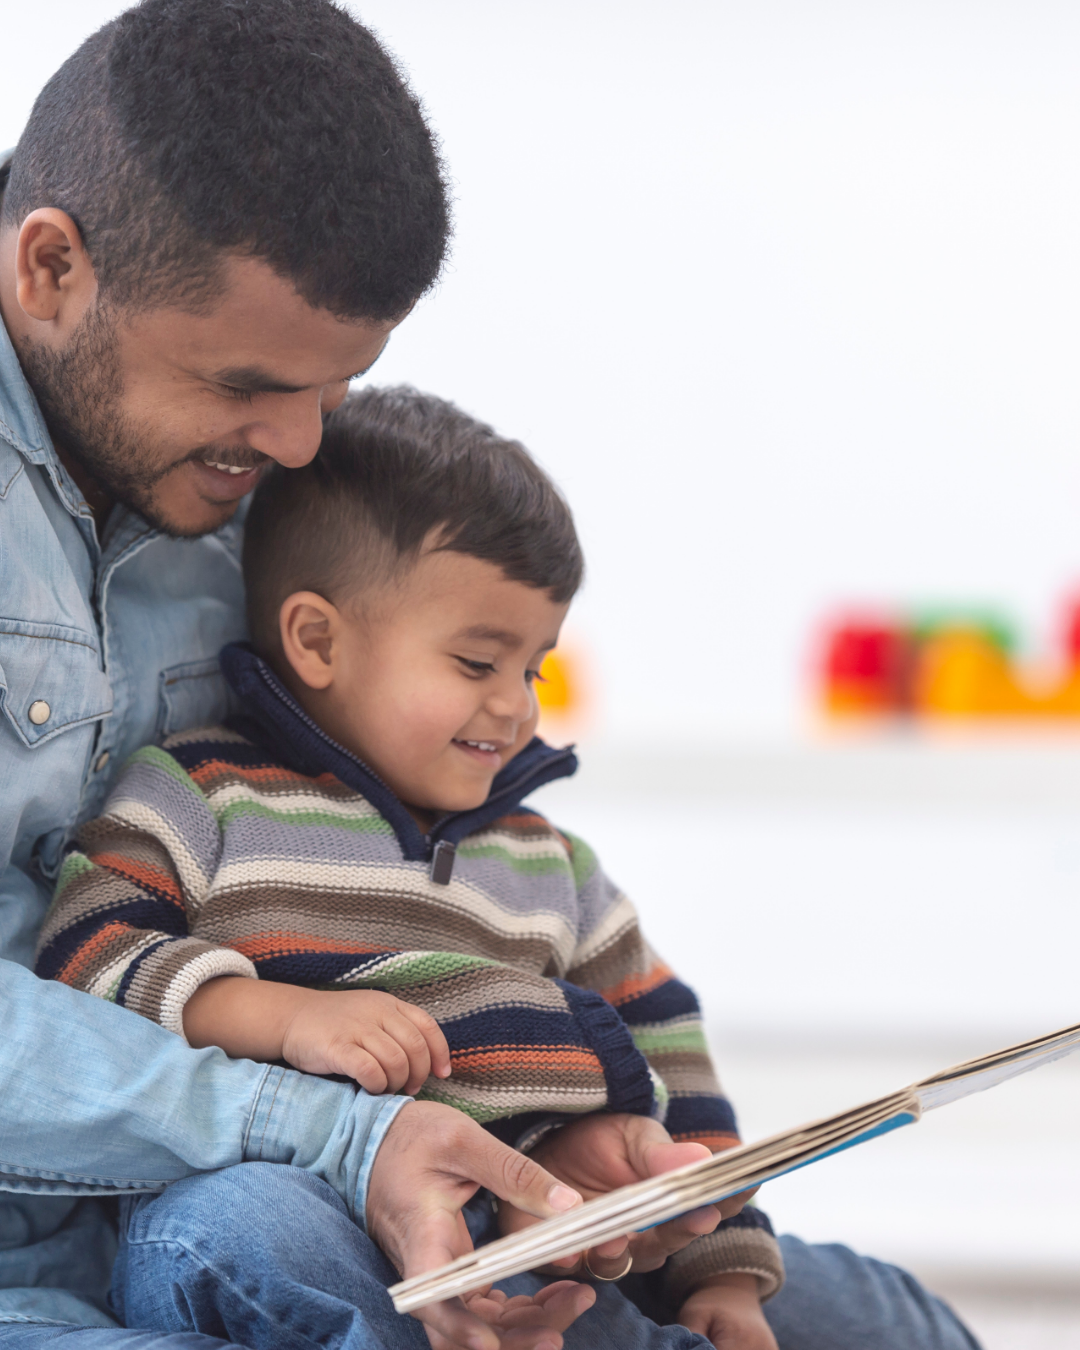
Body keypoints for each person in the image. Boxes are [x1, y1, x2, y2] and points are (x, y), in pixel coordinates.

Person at [0, 1, 981, 1347]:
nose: (297, 449)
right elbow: (105, 956)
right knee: (276, 1259)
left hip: (369, 1185)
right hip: (148, 1235)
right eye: (248, 386)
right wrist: (343, 1133)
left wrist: (579, 1160)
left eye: (334, 388)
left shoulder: (245, 479)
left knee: (884, 1320)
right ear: (50, 268)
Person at [37, 387, 981, 1350]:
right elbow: (87, 951)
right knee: (231, 1231)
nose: (517, 710)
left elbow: (668, 1049)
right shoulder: (201, 795)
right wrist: (285, 1017)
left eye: (533, 669)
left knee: (878, 1308)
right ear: (319, 641)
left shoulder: (549, 864)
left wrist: (724, 1264)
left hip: (551, 1235)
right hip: (312, 1216)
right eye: (477, 663)